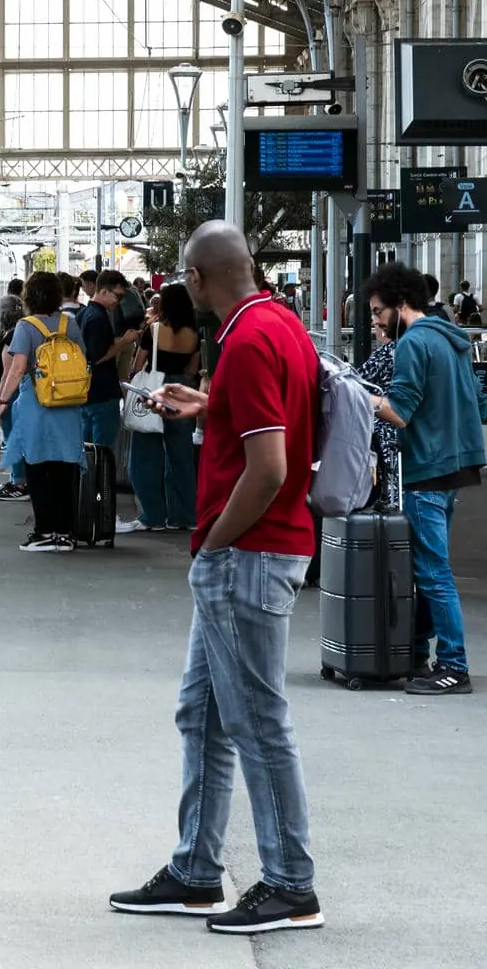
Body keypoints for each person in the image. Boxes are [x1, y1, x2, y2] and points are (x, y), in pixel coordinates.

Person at [109, 221, 323, 935]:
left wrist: (211, 547)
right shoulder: (280, 324)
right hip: (252, 553)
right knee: (201, 714)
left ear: (198, 278)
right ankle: (196, 874)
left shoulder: (249, 342)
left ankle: (292, 885)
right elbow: (279, 430)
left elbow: (270, 468)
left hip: (248, 556)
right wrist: (212, 408)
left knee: (257, 721)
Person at [365, 261, 486, 695]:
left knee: (432, 571)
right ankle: (416, 653)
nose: (376, 321)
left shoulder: (414, 343)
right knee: (430, 567)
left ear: (401, 305)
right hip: (456, 463)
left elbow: (399, 411)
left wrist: (360, 395)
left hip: (427, 466)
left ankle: (453, 665)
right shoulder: (449, 338)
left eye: (379, 311)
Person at [0, 272, 86, 552]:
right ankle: (65, 533)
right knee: (64, 468)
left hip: (38, 404)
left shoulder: (26, 326)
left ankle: (44, 531)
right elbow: (81, 360)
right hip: (68, 404)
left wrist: (3, 402)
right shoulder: (70, 323)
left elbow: (18, 368)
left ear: (29, 297)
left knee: (37, 466)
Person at [119, 283, 200, 533]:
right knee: (181, 458)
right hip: (181, 391)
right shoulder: (194, 333)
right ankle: (185, 516)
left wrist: (133, 376)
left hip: (154, 390)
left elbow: (139, 362)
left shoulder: (153, 330)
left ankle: (152, 516)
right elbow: (192, 369)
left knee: (145, 455)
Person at [77, 270, 135, 449]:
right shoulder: (98, 318)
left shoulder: (84, 314)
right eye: (117, 296)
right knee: (102, 452)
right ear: (103, 292)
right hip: (102, 392)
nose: (118, 302)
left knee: (86, 451)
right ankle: (100, 478)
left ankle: (88, 478)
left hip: (85, 392)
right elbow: (99, 356)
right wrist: (124, 341)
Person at [357, 299, 402, 512]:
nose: (375, 323)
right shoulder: (408, 348)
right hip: (403, 427)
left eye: (377, 317)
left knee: (389, 473)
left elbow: (358, 380)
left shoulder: (385, 353)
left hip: (384, 424)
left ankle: (392, 508)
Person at [0, 287, 29, 501]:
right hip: (23, 395)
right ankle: (18, 479)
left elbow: (8, 374)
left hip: (12, 396)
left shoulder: (12, 337)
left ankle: (19, 483)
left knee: (12, 439)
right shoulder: (23, 331)